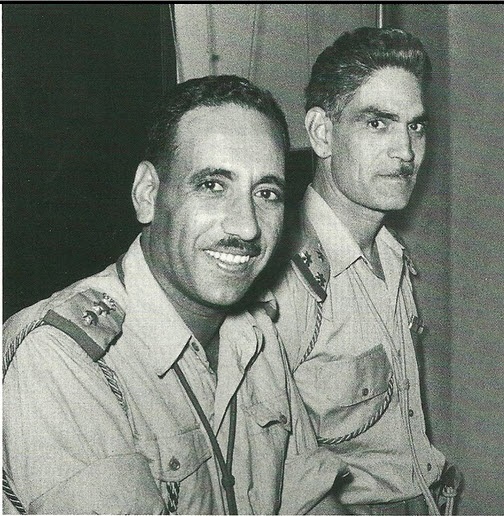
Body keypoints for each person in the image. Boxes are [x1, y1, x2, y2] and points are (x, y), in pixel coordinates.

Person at [3, 75, 346, 515]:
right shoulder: (62, 357)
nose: (246, 227)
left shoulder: (256, 335)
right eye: (212, 185)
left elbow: (311, 502)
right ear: (148, 194)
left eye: (266, 193)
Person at [272, 28, 456, 515]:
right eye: (378, 123)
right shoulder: (284, 281)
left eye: (416, 127)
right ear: (322, 133)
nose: (406, 151)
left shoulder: (392, 256)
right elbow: (271, 476)